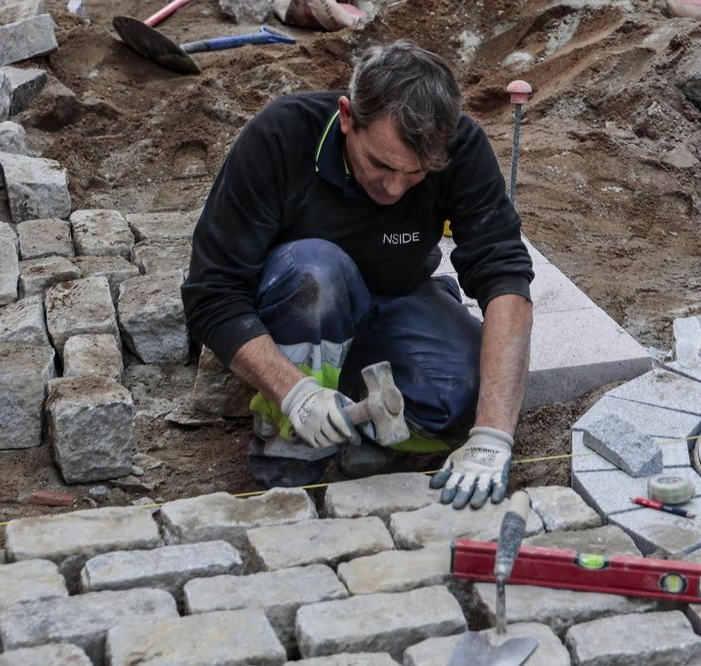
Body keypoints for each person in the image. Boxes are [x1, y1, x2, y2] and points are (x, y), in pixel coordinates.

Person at [183, 42, 535, 505]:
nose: (393, 188)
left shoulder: (460, 146)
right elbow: (212, 293)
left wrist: (492, 434)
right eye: (381, 165)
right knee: (317, 273)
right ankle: (289, 442)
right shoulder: (282, 136)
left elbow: (506, 276)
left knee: (465, 398)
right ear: (348, 116)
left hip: (396, 295)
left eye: (415, 175)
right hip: (297, 302)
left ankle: (356, 424)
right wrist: (295, 393)